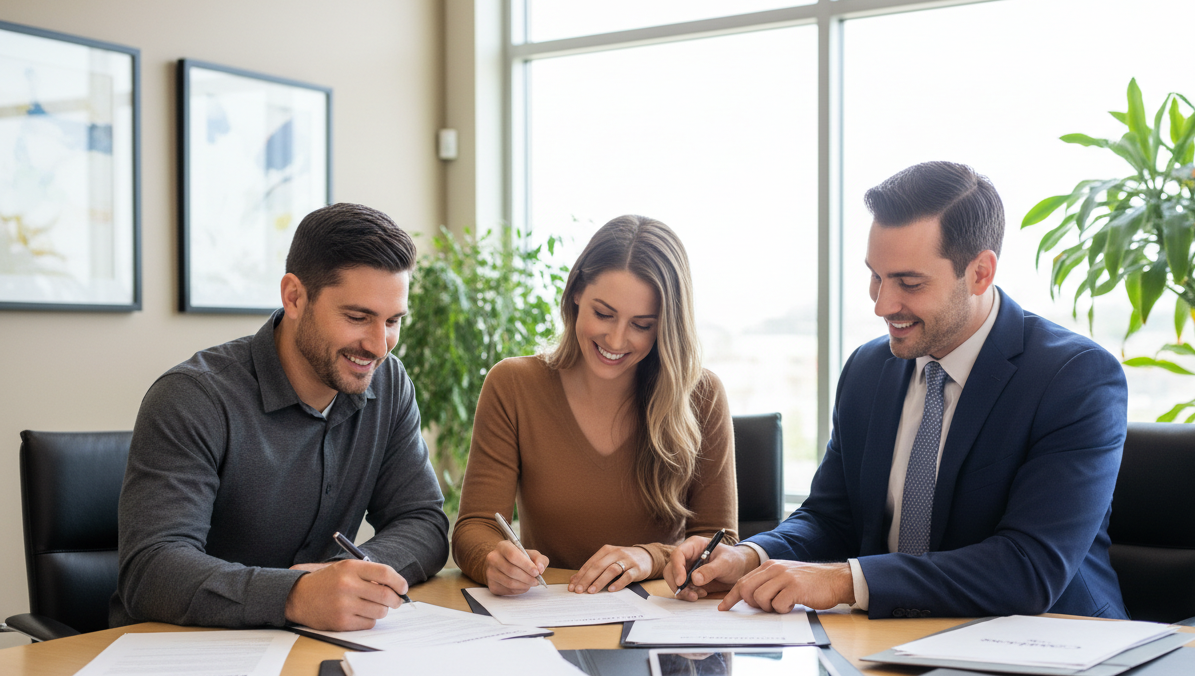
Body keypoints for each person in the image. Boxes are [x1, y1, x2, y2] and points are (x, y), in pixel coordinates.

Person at [666, 161, 1129, 620]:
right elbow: (831, 517)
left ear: (980, 273)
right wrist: (750, 556)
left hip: (1049, 650)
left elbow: (1028, 569)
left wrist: (844, 580)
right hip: (884, 645)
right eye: (876, 275)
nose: (883, 304)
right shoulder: (870, 369)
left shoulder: (1074, 378)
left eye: (909, 282)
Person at [111, 203, 449, 632]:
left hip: (312, 648)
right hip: (185, 654)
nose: (380, 345)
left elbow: (423, 523)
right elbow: (151, 570)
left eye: (393, 321)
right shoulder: (193, 398)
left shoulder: (389, 384)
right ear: (294, 296)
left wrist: (348, 576)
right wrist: (295, 595)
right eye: (358, 317)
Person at [451, 214, 737, 596]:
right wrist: (492, 559)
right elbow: (474, 527)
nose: (616, 340)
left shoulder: (702, 395)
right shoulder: (513, 386)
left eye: (642, 324)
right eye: (603, 314)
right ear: (575, 294)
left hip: (660, 620)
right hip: (549, 613)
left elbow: (721, 546)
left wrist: (649, 557)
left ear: (665, 325)